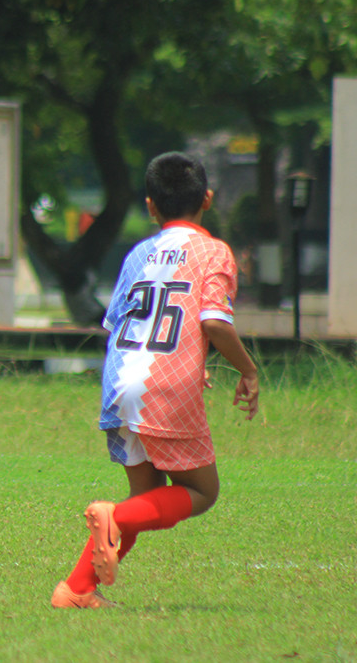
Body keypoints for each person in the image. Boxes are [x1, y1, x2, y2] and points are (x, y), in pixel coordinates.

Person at [50, 151, 260, 608]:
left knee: (145, 500)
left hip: (119, 383)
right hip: (167, 389)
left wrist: (193, 358)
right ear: (207, 198)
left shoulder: (138, 253)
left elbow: (121, 325)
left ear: (150, 206)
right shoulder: (213, 252)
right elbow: (215, 322)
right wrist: (247, 369)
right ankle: (112, 518)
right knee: (202, 491)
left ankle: (76, 590)